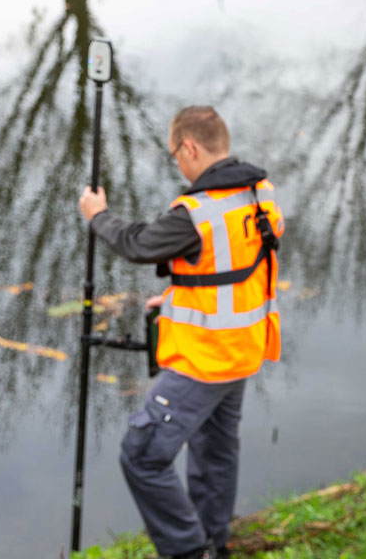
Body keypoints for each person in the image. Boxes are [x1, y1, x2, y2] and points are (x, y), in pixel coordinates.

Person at [78, 106, 283, 559]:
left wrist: (98, 214)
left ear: (189, 148)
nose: (177, 164)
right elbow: (234, 266)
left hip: (206, 358)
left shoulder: (197, 211)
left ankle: (189, 552)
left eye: (175, 155)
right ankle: (215, 542)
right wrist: (175, 297)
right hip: (244, 348)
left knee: (142, 454)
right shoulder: (260, 193)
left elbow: (138, 243)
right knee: (214, 452)